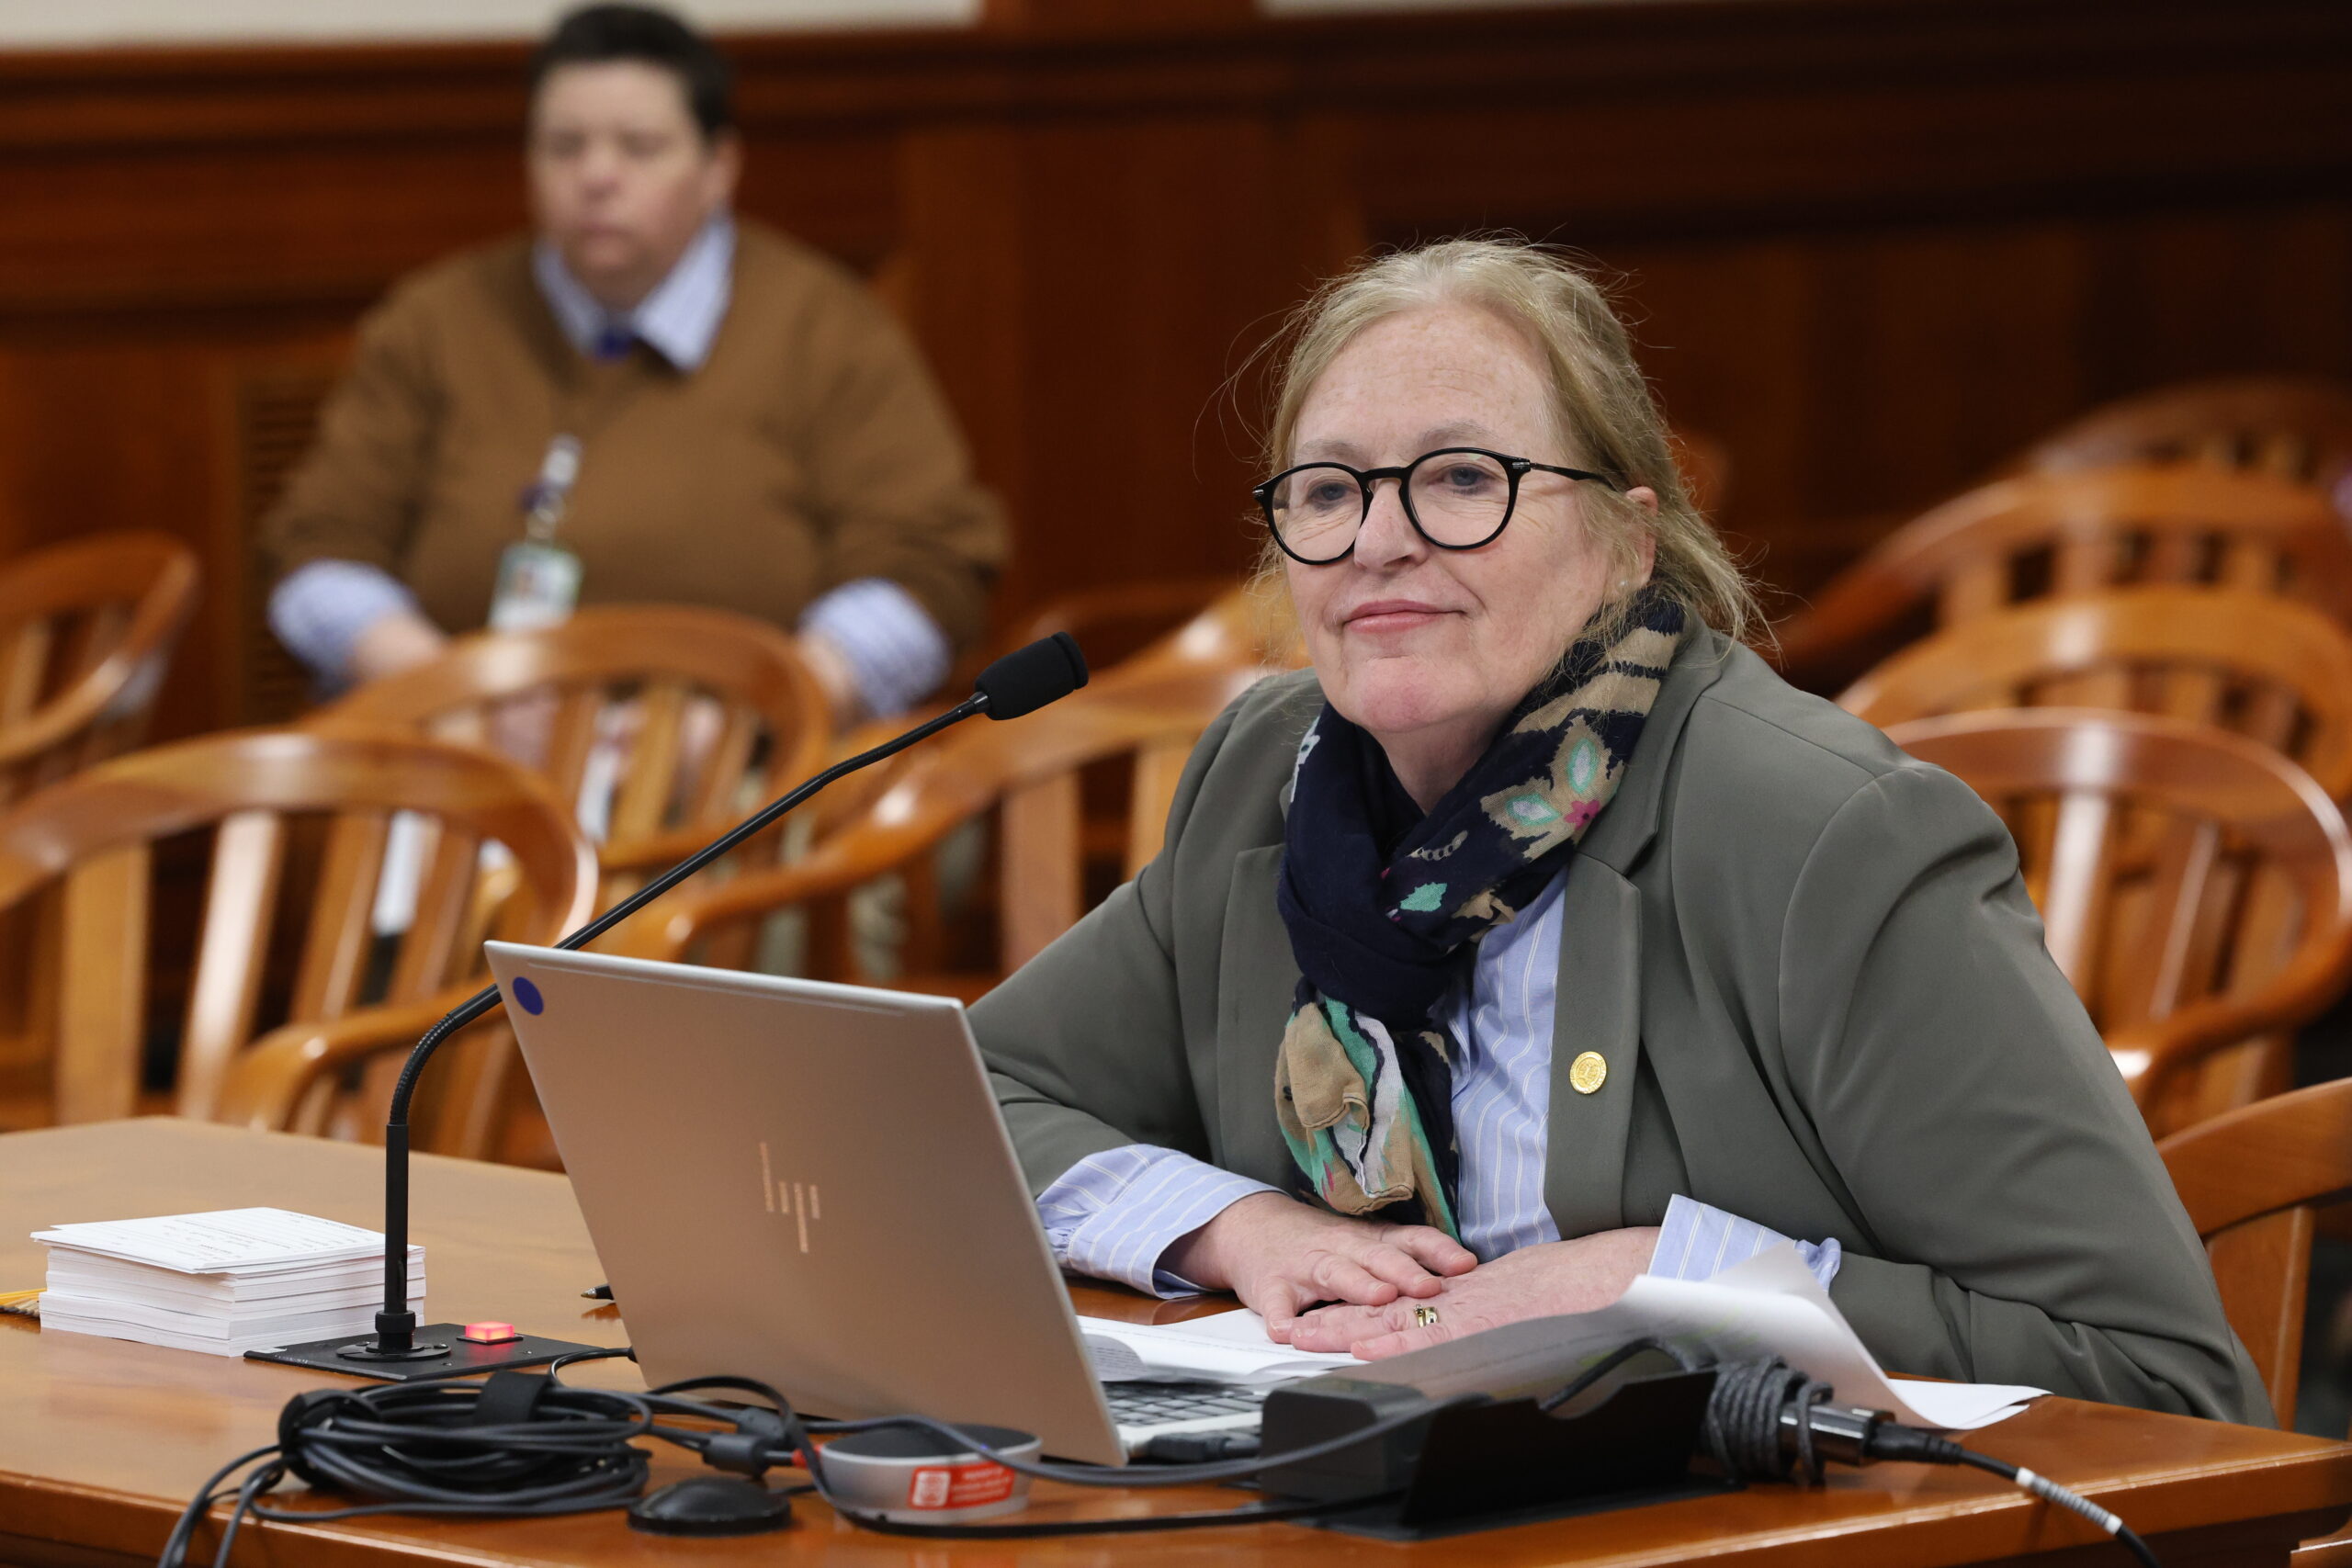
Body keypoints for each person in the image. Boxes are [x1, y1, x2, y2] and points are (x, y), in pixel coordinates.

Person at [970, 239, 2269, 1423]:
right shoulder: (1268, 781)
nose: (1378, 538)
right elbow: (971, 1097)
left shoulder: (1828, 836)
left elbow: (2160, 1372)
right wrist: (1233, 1224)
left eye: (1463, 477)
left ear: (1623, 541)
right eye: (1327, 490)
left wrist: (1671, 1276)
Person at [263, 4, 1005, 726]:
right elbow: (315, 556)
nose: (596, 177)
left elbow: (929, 572)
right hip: (467, 757)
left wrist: (763, 714)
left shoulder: (825, 325)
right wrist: (450, 691)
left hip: (746, 770)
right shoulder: (435, 319)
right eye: (564, 146)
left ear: (719, 167)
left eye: (639, 147)